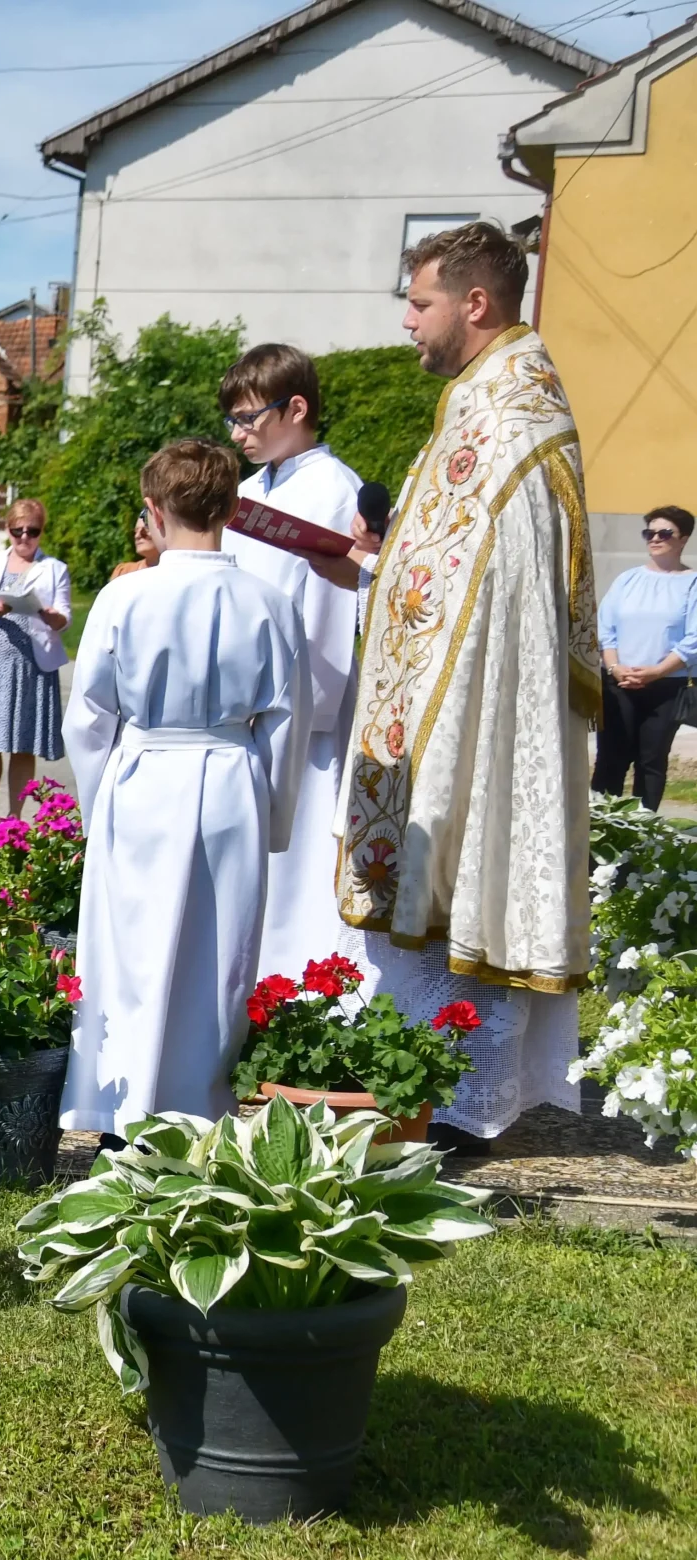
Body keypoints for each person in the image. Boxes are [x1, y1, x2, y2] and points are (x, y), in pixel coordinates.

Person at [323, 220, 597, 1153]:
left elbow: (502, 587)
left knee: (464, 882)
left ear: (474, 303)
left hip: (475, 709)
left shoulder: (512, 413)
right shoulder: (482, 398)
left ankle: (463, 1108)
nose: (406, 322)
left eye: (419, 301)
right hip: (438, 701)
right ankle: (434, 1097)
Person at [60, 440, 307, 1135]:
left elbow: (89, 716)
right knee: (218, 954)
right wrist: (274, 816)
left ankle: (120, 1108)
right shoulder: (269, 602)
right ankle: (201, 1106)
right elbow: (286, 720)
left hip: (141, 776)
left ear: (153, 509)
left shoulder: (125, 595)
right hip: (231, 779)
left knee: (128, 947)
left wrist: (98, 801)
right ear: (233, 507)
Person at [220, 344, 366, 977]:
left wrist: (310, 711)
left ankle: (297, 989)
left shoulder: (337, 491)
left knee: (298, 861)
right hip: (242, 705)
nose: (238, 433)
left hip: (304, 715)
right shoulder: (250, 490)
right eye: (233, 419)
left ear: (296, 408)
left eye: (250, 418)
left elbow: (332, 610)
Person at [0, 498, 72, 817]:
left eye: (32, 531)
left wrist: (49, 615)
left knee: (24, 743)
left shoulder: (54, 569)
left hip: (32, 665)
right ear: (7, 530)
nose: (24, 537)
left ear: (41, 532)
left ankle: (14, 821)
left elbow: (64, 618)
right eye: (17, 530)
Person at [594, 505, 697, 810]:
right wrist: (614, 667)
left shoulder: (692, 584)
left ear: (683, 539)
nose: (655, 538)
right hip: (618, 684)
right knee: (611, 758)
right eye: (649, 533)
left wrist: (657, 672)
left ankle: (640, 838)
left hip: (667, 688)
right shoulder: (627, 580)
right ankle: (599, 834)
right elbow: (605, 629)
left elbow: (693, 640)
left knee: (651, 762)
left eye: (664, 533)